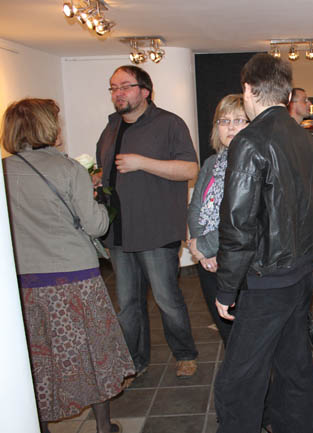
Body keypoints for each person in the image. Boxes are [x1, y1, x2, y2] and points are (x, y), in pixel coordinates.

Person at [213, 53, 313, 433]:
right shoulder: (311, 142)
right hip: (301, 276)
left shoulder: (249, 141)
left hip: (265, 283)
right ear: (287, 94)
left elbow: (238, 224)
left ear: (248, 89)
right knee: (294, 369)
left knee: (239, 383)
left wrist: (226, 288)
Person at [2, 98, 134, 433]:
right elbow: (96, 225)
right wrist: (98, 200)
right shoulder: (68, 169)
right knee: (92, 352)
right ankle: (103, 426)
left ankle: (39, 426)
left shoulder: (4, 171)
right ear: (46, 127)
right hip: (74, 277)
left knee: (37, 358)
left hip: (24, 283)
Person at [96, 65, 199, 378]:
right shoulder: (111, 128)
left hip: (157, 230)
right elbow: (109, 172)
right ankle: (134, 362)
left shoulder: (169, 123)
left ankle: (185, 354)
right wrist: (98, 178)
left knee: (167, 300)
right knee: (128, 305)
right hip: (119, 233)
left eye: (125, 86)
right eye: (113, 88)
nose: (118, 93)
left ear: (145, 91)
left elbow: (189, 169)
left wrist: (143, 163)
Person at [187, 94, 248, 346]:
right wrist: (202, 249)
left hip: (240, 262)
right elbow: (195, 207)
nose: (230, 127)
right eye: (224, 121)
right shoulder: (211, 163)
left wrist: (206, 246)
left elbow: (241, 220)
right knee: (227, 333)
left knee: (248, 336)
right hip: (209, 263)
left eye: (239, 120)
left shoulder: (253, 163)